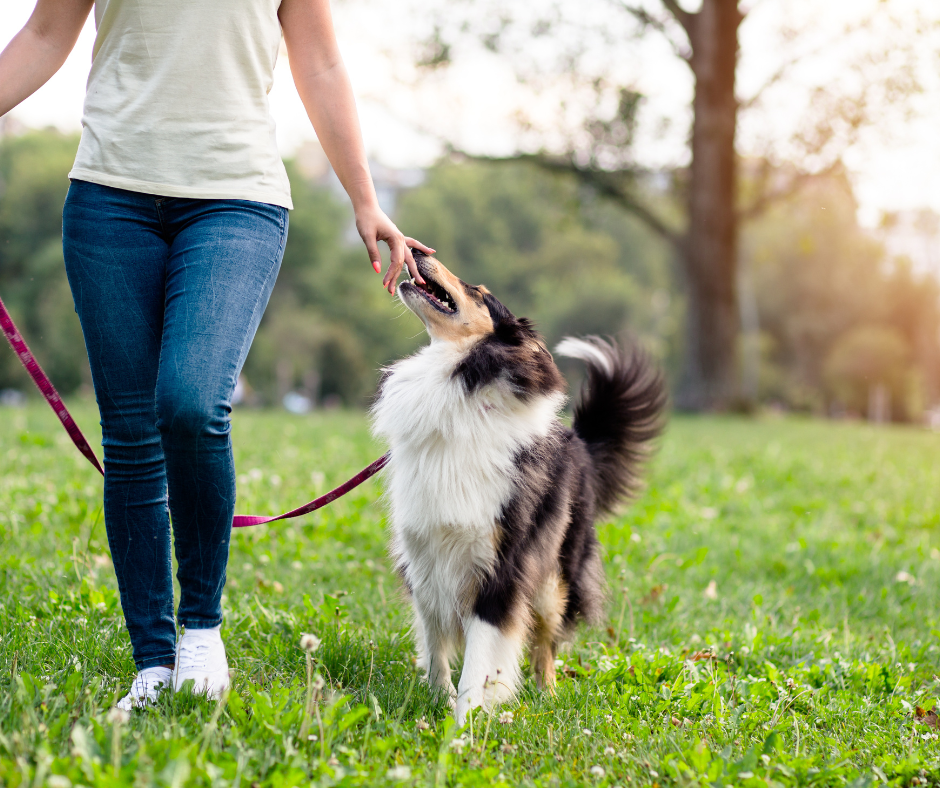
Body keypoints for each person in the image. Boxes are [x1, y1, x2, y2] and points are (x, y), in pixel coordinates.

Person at [0, 0, 432, 710]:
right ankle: (154, 662)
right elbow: (45, 34)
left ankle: (201, 628)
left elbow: (319, 61)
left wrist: (364, 197)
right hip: (109, 198)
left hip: (236, 200)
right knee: (133, 435)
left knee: (192, 401)